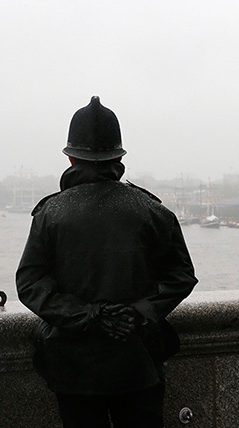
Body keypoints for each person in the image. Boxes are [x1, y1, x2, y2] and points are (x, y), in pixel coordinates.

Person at [16, 96, 198, 428]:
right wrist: (136, 313)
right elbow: (182, 276)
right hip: (138, 363)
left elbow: (30, 285)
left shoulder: (50, 214)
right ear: (119, 157)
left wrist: (91, 316)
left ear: (71, 158)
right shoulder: (153, 211)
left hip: (74, 368)